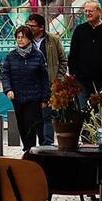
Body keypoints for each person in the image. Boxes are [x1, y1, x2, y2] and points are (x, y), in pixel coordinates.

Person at [0, 26, 51, 151]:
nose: (21, 40)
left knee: (30, 123)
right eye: (18, 37)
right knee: (21, 124)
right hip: (17, 96)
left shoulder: (38, 55)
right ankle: (27, 147)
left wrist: (45, 98)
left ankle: (30, 149)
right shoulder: (11, 56)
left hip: (34, 97)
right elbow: (5, 74)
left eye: (23, 37)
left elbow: (44, 78)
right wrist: (8, 89)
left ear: (29, 38)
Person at [68, 0, 102, 101]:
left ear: (99, 11)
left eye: (90, 11)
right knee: (83, 112)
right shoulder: (79, 30)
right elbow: (72, 55)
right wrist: (74, 75)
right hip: (82, 83)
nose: (87, 14)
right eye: (85, 11)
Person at [25, 13, 68, 144]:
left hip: (49, 84)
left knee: (47, 115)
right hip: (31, 86)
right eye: (28, 25)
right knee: (33, 117)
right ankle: (33, 144)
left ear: (41, 27)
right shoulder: (25, 40)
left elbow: (63, 60)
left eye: (33, 26)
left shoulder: (53, 40)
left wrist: (58, 79)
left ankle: (47, 143)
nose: (30, 28)